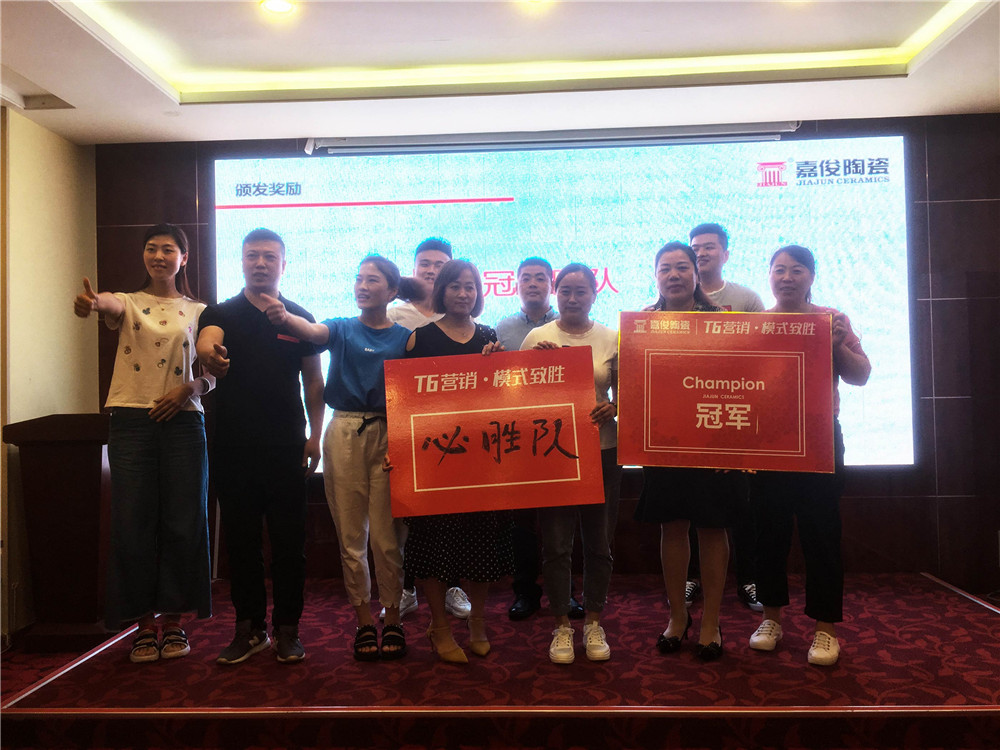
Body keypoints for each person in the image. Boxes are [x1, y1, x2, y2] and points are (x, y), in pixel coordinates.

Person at [258, 256, 411, 661]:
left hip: (390, 434)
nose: (362, 285)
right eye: (359, 279)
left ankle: (393, 617)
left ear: (392, 291)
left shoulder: (406, 338)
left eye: (372, 280)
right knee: (350, 536)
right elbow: (311, 331)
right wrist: (284, 318)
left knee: (387, 538)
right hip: (343, 430)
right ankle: (364, 621)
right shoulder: (342, 327)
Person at [74, 223, 213, 663]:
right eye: (151, 248)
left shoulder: (200, 311)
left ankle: (173, 622)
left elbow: (213, 373)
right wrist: (93, 302)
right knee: (133, 521)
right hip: (132, 420)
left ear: (183, 258)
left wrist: (189, 389)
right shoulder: (129, 302)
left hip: (184, 420)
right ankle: (143, 625)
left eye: (168, 249)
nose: (158, 256)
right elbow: (107, 303)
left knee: (182, 519)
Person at [196, 227, 324, 665]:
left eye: (270, 256)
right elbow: (207, 342)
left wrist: (316, 435)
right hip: (234, 447)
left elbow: (314, 382)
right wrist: (210, 355)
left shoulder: (299, 317)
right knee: (242, 543)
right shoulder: (222, 312)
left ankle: (288, 629)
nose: (261, 263)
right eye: (253, 255)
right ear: (242, 261)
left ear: (284, 264)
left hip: (287, 446)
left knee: (289, 544)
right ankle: (249, 629)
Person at [748, 245, 870, 666]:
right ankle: (771, 618)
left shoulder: (831, 320)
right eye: (779, 270)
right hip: (768, 440)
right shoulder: (755, 325)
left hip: (818, 439)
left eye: (796, 270)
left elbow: (861, 375)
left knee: (822, 535)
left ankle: (825, 629)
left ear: (811, 277)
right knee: (769, 535)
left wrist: (835, 346)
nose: (786, 278)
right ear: (769, 275)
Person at [402, 259, 513, 663]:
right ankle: (440, 626)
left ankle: (477, 621)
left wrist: (498, 365)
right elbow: (404, 401)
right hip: (435, 458)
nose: (464, 294)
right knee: (434, 546)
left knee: (481, 543)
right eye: (455, 286)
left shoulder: (489, 337)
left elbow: (503, 399)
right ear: (442, 291)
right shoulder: (420, 338)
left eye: (470, 287)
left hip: (481, 460)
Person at [634, 241, 736, 661]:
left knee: (712, 528)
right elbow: (632, 383)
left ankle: (711, 620)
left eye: (681, 267)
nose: (673, 275)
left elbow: (741, 382)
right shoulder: (642, 323)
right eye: (665, 268)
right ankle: (678, 615)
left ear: (697, 273)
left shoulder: (724, 321)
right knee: (672, 527)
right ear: (655, 276)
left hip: (713, 441)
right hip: (665, 442)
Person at [521, 263, 620, 664]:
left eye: (581, 291)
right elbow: (516, 398)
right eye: (565, 291)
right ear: (555, 293)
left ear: (595, 294)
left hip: (603, 451)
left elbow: (627, 394)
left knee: (599, 544)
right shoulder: (537, 337)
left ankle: (593, 621)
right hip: (554, 453)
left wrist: (613, 408)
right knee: (557, 545)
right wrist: (536, 366)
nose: (573, 298)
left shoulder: (611, 338)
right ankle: (561, 624)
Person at [386, 237, 471, 621]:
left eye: (440, 265)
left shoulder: (466, 321)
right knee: (410, 514)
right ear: (414, 268)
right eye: (425, 264)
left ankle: (452, 585)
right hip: (413, 427)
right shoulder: (396, 315)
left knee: (453, 513)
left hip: (460, 432)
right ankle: (406, 589)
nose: (432, 270)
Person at [495, 257, 582, 622]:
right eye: (526, 278)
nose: (532, 284)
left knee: (562, 522)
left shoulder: (569, 323)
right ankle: (525, 591)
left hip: (560, 435)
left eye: (540, 278)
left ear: (551, 285)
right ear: (515, 284)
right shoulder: (503, 328)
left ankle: (567, 593)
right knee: (522, 522)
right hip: (518, 435)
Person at [686, 222, 766, 612]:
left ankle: (749, 578)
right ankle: (692, 578)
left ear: (726, 253)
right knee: (691, 503)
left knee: (743, 502)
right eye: (695, 248)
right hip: (691, 416)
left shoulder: (746, 299)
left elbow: (762, 355)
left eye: (709, 247)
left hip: (735, 415)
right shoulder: (675, 301)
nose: (701, 253)